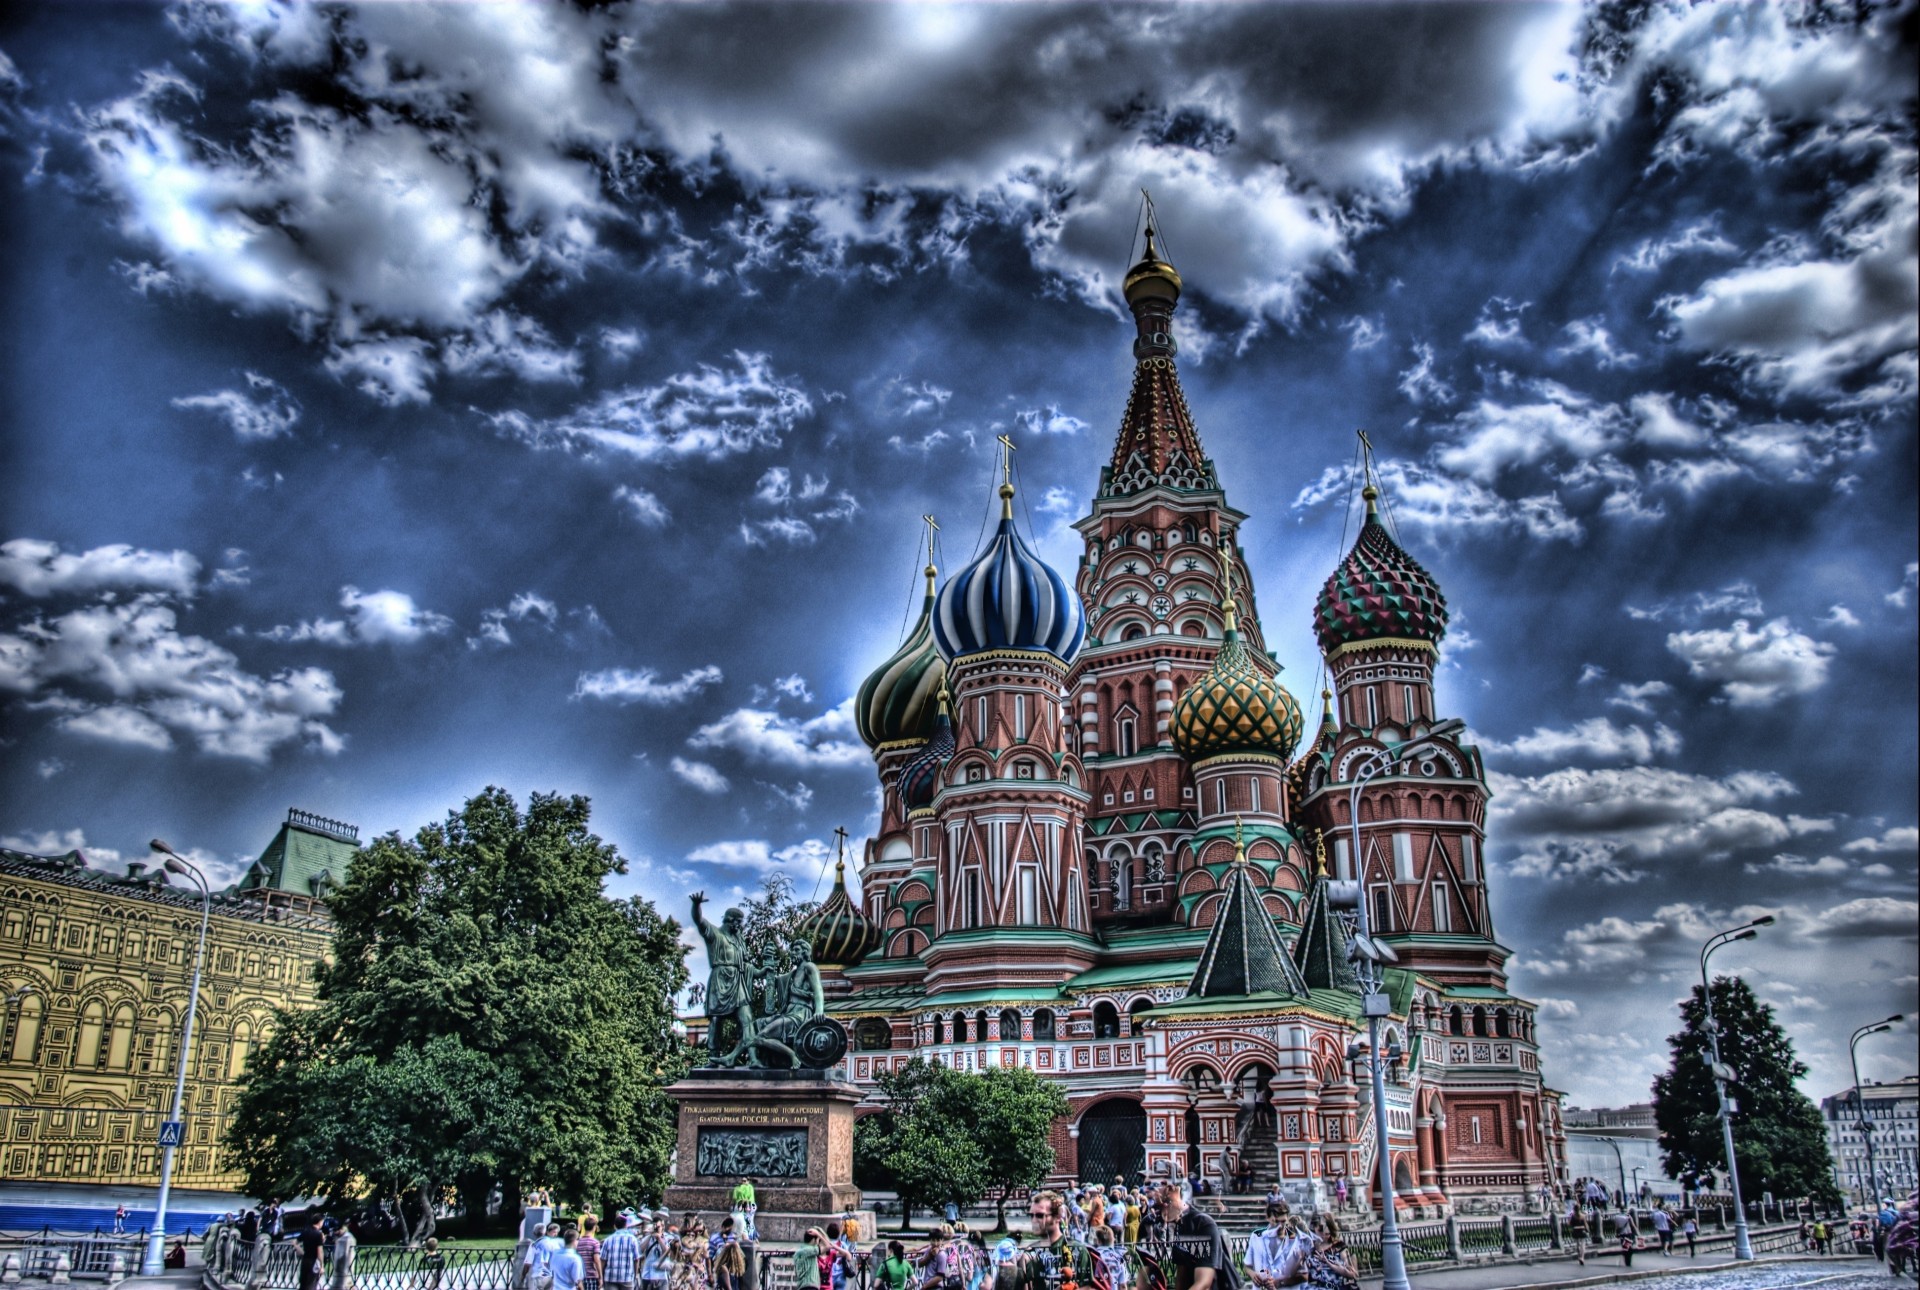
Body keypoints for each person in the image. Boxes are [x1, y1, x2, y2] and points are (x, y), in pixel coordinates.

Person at [1153, 1179, 1235, 1290]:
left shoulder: (1201, 1223)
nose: (1162, 1214)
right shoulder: (1179, 1226)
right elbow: (1181, 1275)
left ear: (1174, 1199)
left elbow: (1204, 1282)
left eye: (1163, 1208)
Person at [1244, 1203, 1308, 1288]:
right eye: (1276, 1221)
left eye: (1283, 1221)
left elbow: (1305, 1276)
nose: (1280, 1226)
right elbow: (1247, 1266)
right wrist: (1253, 1275)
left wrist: (1279, 1282)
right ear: (1268, 1218)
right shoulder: (1256, 1236)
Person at [1302, 1215, 1358, 1290]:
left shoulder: (1339, 1247)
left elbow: (1352, 1274)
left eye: (1328, 1233)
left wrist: (1329, 1263)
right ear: (1314, 1228)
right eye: (1320, 1230)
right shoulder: (1310, 1248)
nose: (1324, 1234)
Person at [602, 1213, 641, 1290]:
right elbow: (636, 1259)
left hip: (610, 1277)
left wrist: (601, 1275)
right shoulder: (633, 1239)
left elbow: (603, 1260)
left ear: (615, 1226)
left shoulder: (608, 1240)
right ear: (626, 1225)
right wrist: (635, 1274)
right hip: (627, 1277)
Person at [526, 1223, 564, 1290]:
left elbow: (528, 1263)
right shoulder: (554, 1243)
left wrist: (523, 1276)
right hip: (550, 1276)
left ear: (534, 1233)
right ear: (546, 1232)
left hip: (538, 1275)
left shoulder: (534, 1245)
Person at [297, 1215, 327, 1290]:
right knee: (311, 1283)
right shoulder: (318, 1234)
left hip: (305, 1259)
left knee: (303, 1283)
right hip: (314, 1261)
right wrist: (322, 1266)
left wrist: (301, 1251)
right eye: (322, 1222)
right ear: (319, 1222)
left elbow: (294, 1242)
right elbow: (320, 1251)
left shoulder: (305, 1231)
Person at [578, 1215, 603, 1290]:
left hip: (579, 1276)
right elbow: (597, 1260)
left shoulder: (578, 1242)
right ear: (594, 1228)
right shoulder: (595, 1242)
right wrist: (600, 1277)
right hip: (591, 1276)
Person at [1566, 1201, 1589, 1266]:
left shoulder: (1573, 1216)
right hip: (1582, 1230)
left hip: (1575, 1230)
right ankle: (1582, 1257)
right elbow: (1586, 1224)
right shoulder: (1583, 1216)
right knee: (1583, 1245)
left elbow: (1569, 1224)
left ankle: (1579, 1256)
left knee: (1578, 1244)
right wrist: (1587, 1230)